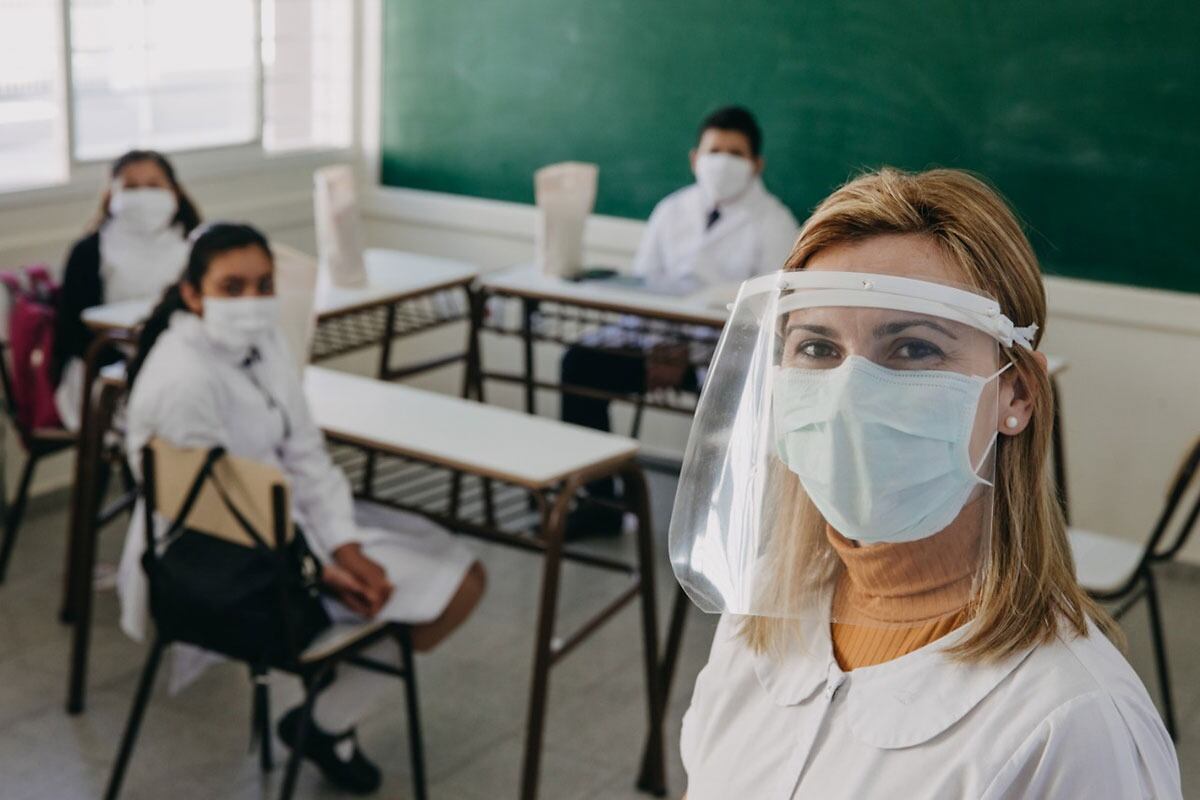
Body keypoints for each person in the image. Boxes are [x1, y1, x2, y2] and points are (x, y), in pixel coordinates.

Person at [673, 168, 1180, 798]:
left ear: (1015, 392)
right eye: (816, 349)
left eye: (913, 349)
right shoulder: (763, 624)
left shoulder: (1074, 725)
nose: (847, 397)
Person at [116, 223, 486, 795]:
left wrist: (345, 545)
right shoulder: (181, 378)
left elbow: (304, 450)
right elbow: (223, 514)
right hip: (221, 571)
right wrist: (323, 569)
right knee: (450, 588)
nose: (252, 302)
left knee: (443, 567)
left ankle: (329, 712)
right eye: (232, 287)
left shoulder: (261, 344)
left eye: (264, 285)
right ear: (192, 294)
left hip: (284, 534)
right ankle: (325, 721)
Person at [560, 106, 798, 536]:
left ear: (756, 164)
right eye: (715, 150)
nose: (723, 161)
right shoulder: (671, 210)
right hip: (656, 342)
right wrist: (659, 345)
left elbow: (773, 317)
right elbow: (644, 286)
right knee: (580, 363)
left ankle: (727, 524)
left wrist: (690, 350)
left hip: (724, 358)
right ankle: (600, 501)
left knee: (741, 404)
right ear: (694, 158)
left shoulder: (776, 223)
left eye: (736, 153)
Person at [53, 149, 202, 430]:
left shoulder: (195, 247)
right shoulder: (88, 252)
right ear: (112, 195)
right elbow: (72, 333)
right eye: (131, 187)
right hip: (107, 365)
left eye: (154, 185)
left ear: (175, 192)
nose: (143, 196)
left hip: (182, 358)